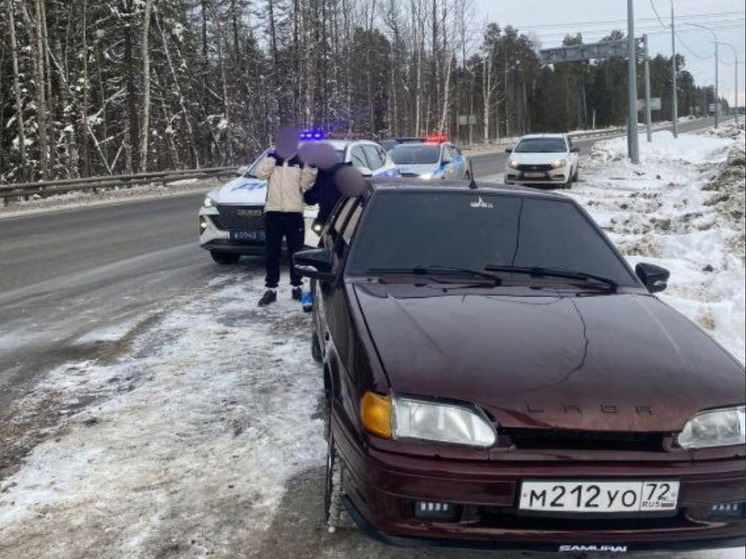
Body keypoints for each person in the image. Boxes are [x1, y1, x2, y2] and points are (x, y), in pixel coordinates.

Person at [255, 132, 318, 307]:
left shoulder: (300, 160)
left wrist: (311, 167)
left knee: (295, 253)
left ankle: (296, 286)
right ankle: (271, 289)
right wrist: (271, 158)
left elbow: (306, 184)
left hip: (294, 213)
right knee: (272, 253)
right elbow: (260, 174)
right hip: (273, 212)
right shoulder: (272, 159)